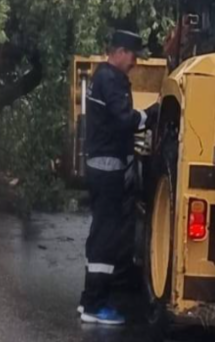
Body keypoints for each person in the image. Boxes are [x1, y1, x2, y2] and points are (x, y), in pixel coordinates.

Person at [78, 30, 153, 326]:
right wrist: (151, 115)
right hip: (108, 167)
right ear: (120, 52)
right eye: (133, 55)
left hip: (100, 164)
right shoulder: (111, 80)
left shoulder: (102, 77)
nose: (135, 62)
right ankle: (95, 305)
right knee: (107, 236)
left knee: (100, 232)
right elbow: (124, 119)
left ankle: (88, 298)